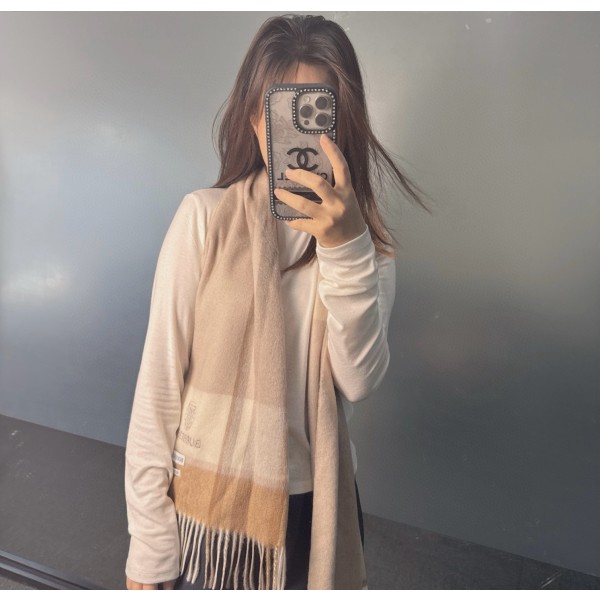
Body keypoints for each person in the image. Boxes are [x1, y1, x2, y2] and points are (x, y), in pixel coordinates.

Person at [124, 13, 427, 591]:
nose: (297, 132)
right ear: (253, 119)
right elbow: (158, 387)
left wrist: (344, 249)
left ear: (342, 122)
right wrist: (148, 545)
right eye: (281, 110)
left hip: (315, 507)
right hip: (209, 503)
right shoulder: (203, 219)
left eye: (315, 112)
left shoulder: (367, 248)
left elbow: (357, 381)